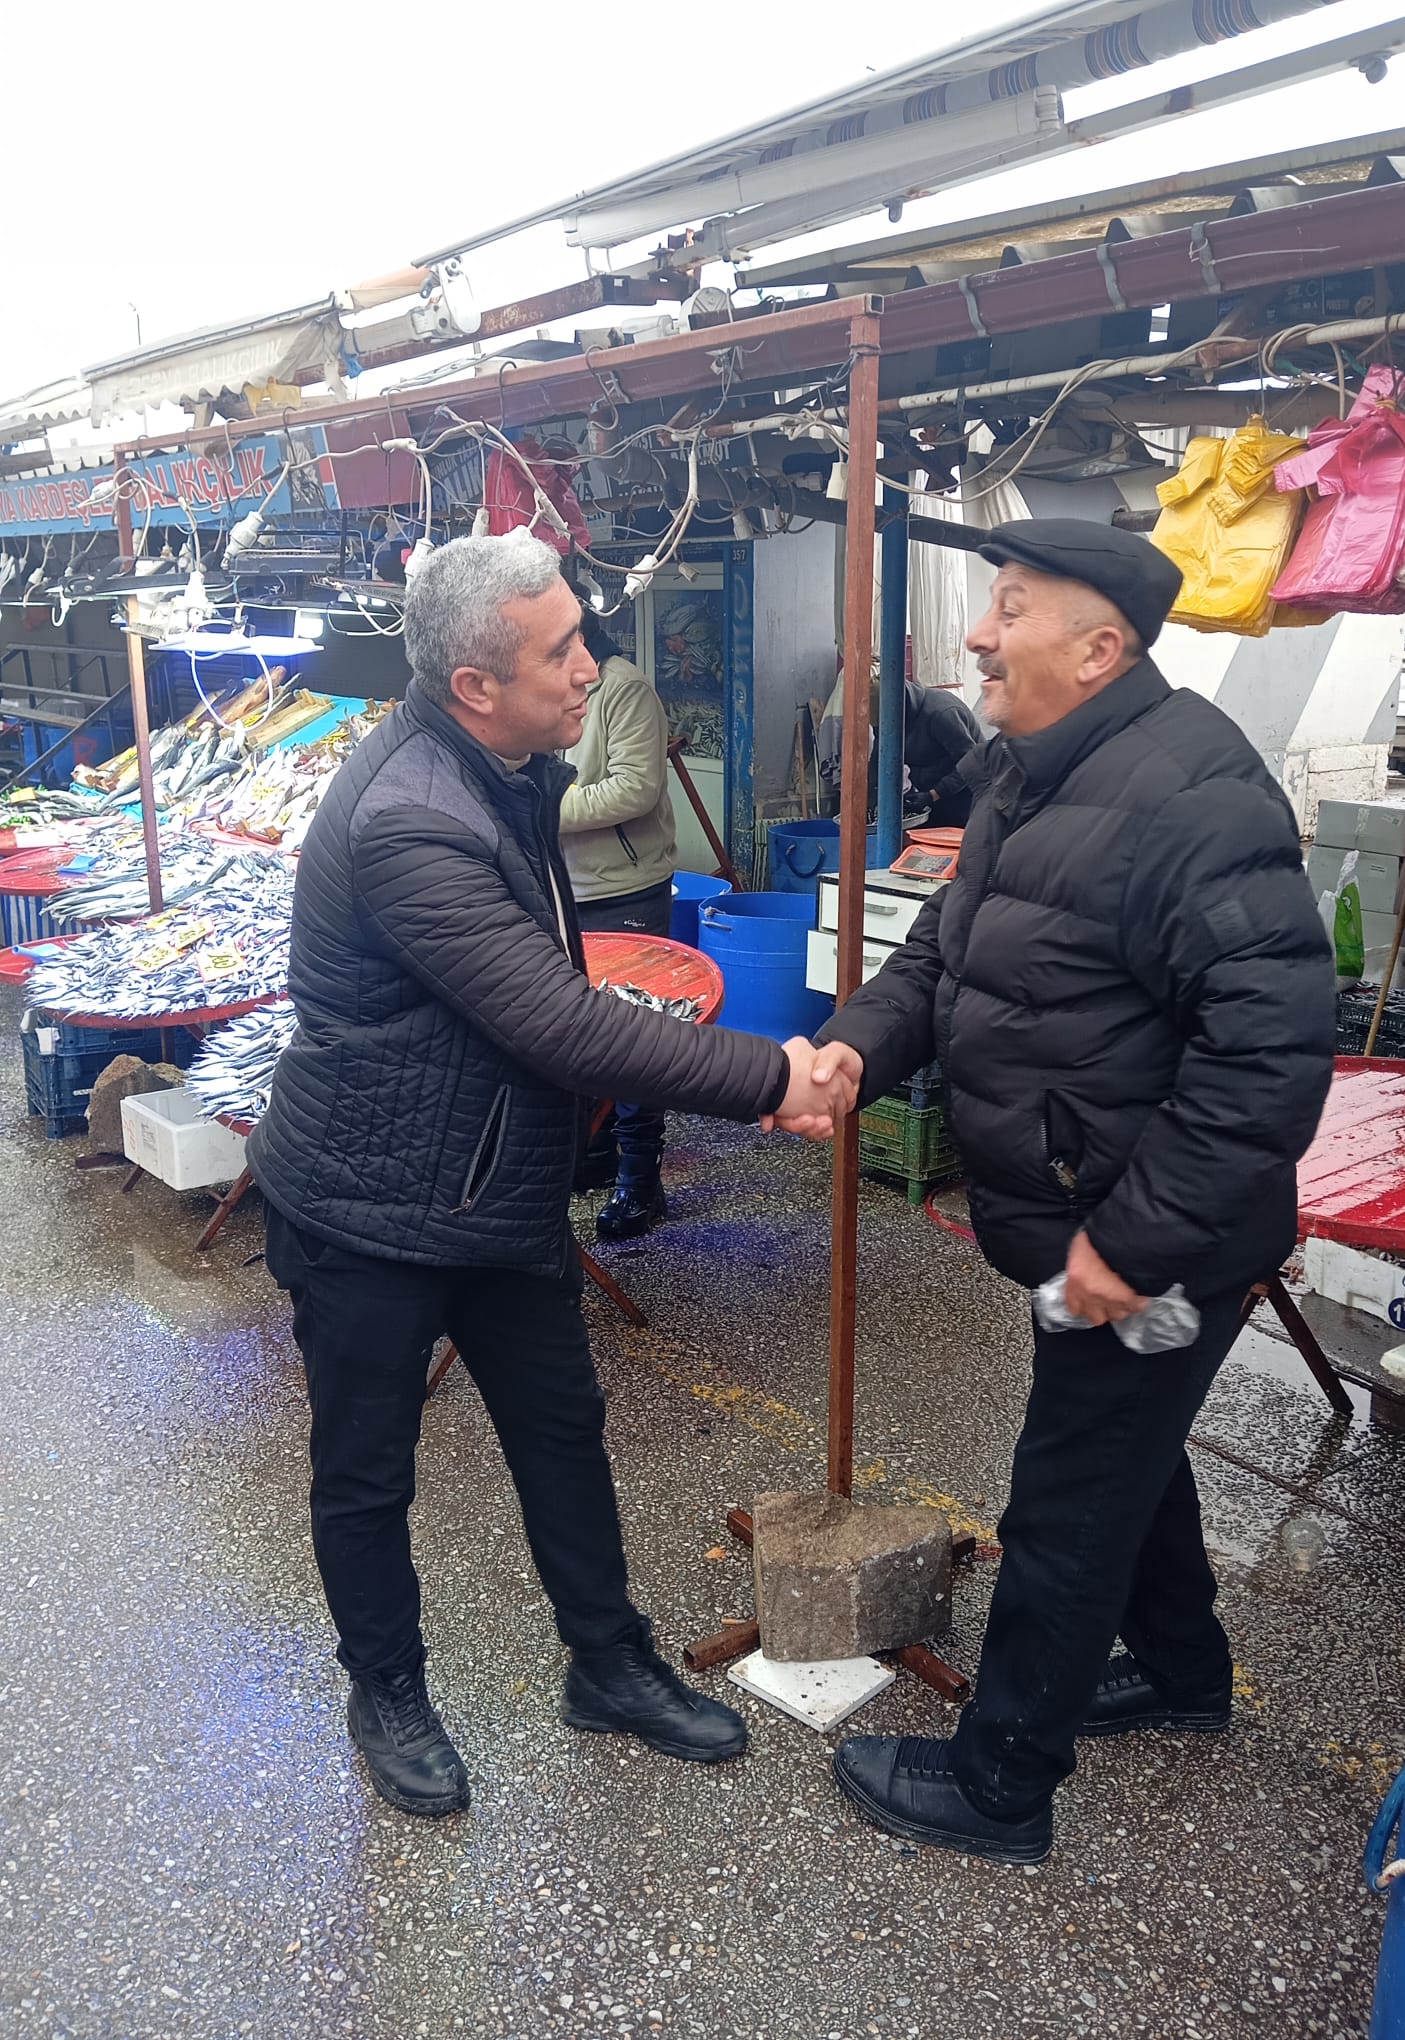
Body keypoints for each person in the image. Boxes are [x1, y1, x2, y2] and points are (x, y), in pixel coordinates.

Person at [248, 532, 853, 1819]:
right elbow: (558, 1023)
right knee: (367, 1471)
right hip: (370, 1206)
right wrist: (773, 1077)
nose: (592, 666)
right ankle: (386, 1689)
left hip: (495, 1193)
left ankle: (607, 1661)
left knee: (562, 1431)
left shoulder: (504, 766)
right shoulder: (412, 816)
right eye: (564, 649)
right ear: (476, 684)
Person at [796, 520, 1335, 1864]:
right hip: (1081, 1223)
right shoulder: (1030, 773)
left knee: (1069, 1496)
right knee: (1129, 1460)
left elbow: (1269, 1057)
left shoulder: (1195, 796)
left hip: (1154, 1244)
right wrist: (855, 1049)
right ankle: (1182, 1670)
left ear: (1100, 650)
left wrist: (1133, 1244)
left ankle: (1001, 1784)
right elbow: (942, 952)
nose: (979, 634)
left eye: (1013, 606)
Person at [560, 613, 677, 1240]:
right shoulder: (547, 687)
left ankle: (640, 1177)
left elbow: (635, 789)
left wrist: (542, 807)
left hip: (626, 888)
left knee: (637, 1039)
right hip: (563, 890)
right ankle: (597, 1149)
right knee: (576, 1031)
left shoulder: (624, 689)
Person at [901, 674, 985, 828]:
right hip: (928, 791)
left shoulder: (943, 713)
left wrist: (933, 794)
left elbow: (972, 764)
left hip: (965, 795)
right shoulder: (889, 718)